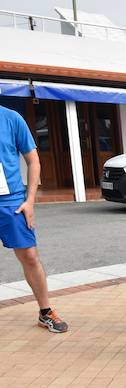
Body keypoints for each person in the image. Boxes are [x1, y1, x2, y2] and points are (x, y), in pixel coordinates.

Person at [0, 105, 68, 333]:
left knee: (29, 255)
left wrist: (29, 201)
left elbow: (33, 160)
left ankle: (45, 311)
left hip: (11, 200)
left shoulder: (11, 118)